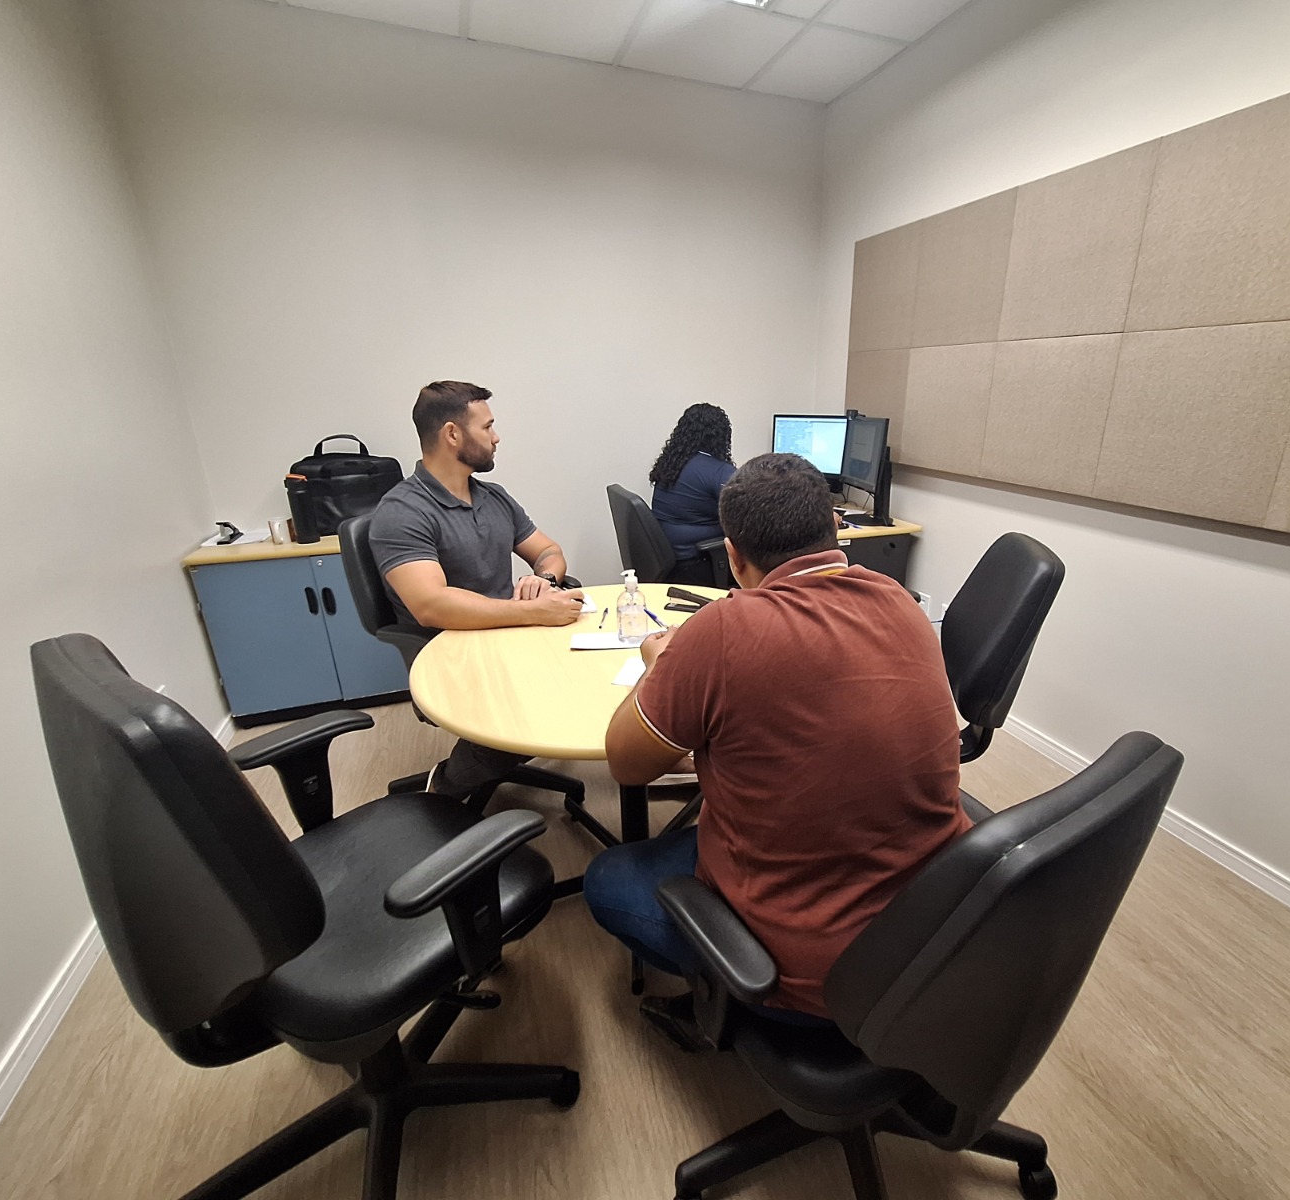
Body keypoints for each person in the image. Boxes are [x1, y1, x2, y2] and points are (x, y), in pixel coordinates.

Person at [583, 453, 969, 1044]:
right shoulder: (901, 602)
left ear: (733, 558)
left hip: (816, 974)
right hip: (938, 928)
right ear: (836, 530)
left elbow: (627, 765)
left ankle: (736, 1004)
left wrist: (659, 666)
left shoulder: (719, 633)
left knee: (608, 877)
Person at [370, 380, 585, 797]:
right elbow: (431, 605)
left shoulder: (494, 497)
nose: (496, 436)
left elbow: (549, 551)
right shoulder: (402, 512)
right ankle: (446, 787)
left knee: (585, 676)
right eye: (487, 426)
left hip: (509, 637)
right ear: (453, 434)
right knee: (542, 701)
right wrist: (532, 613)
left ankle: (497, 752)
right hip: (451, 654)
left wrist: (543, 580)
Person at [648, 403, 735, 583]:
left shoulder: (672, 462)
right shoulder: (717, 471)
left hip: (670, 560)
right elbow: (752, 505)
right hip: (699, 562)